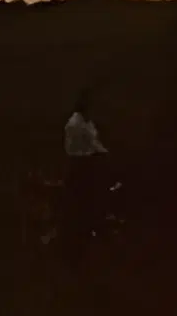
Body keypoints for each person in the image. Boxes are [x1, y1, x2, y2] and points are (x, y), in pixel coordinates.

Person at [63, 91, 108, 244]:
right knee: (83, 196)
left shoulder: (84, 122)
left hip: (83, 163)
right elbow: (90, 143)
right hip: (81, 163)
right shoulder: (76, 124)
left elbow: (95, 141)